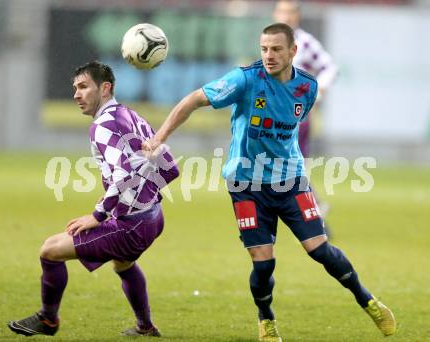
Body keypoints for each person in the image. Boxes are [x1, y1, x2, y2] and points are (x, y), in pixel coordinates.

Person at [143, 23, 396, 342]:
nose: (269, 55)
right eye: (264, 49)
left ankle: (369, 302)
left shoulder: (308, 87)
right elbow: (194, 99)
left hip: (290, 182)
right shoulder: (245, 80)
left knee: (320, 250)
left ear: (293, 51)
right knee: (263, 264)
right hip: (246, 185)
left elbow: (293, 126)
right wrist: (159, 137)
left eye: (276, 49)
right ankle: (266, 320)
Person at [7, 61, 179, 337]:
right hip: (154, 218)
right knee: (124, 265)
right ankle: (145, 327)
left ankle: (48, 319)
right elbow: (170, 167)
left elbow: (124, 174)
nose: (76, 94)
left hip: (131, 225)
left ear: (105, 88)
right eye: (75, 88)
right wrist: (142, 196)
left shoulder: (103, 125)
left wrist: (98, 215)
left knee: (49, 251)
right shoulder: (132, 116)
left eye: (84, 87)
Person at [274, 0, 338, 236]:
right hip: (273, 114)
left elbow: (330, 68)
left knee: (290, 167)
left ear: (297, 16)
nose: (286, 16)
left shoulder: (305, 43)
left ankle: (312, 213)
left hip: (296, 116)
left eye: (290, 12)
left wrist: (317, 91)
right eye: (282, 11)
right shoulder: (272, 42)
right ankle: (311, 211)